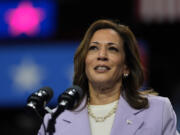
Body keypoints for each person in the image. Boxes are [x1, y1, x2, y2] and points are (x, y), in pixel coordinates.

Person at [38, 19, 179, 135]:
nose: (102, 55)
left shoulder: (158, 111)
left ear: (126, 66)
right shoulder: (55, 120)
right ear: (84, 62)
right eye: (94, 48)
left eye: (112, 49)